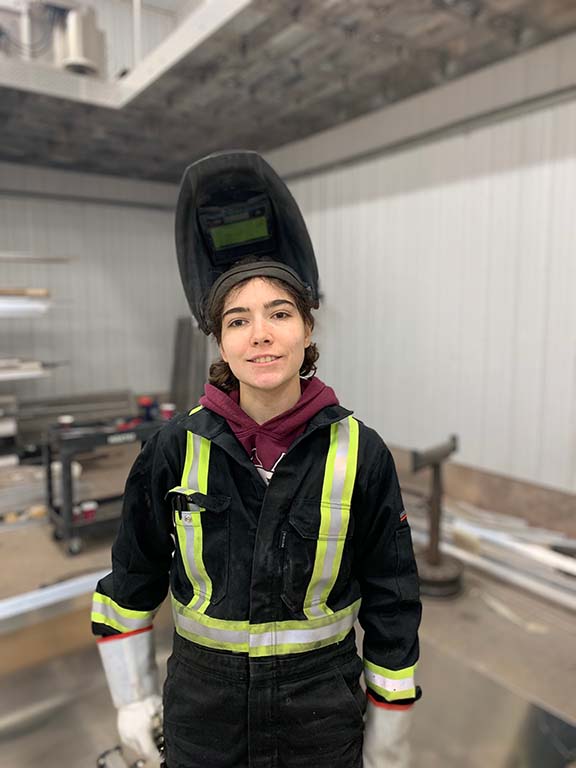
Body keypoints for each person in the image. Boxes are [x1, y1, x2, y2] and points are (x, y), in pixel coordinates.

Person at [92, 151, 422, 768]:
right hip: (202, 717)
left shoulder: (362, 453)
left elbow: (392, 600)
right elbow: (131, 580)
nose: (261, 334)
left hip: (321, 719)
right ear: (221, 339)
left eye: (279, 314)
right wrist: (131, 698)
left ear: (305, 330)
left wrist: (390, 726)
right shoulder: (172, 449)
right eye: (238, 320)